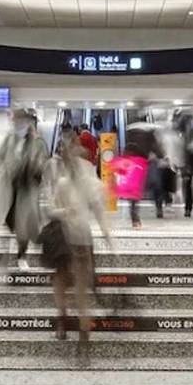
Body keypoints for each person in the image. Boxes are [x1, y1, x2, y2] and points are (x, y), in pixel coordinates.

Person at [46, 131, 115, 358]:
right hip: (73, 240)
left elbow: (51, 209)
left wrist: (106, 236)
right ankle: (74, 329)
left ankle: (68, 325)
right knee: (73, 286)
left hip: (73, 240)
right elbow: (98, 212)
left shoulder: (75, 182)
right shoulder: (78, 182)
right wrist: (107, 236)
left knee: (68, 285)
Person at [0, 109, 48, 270]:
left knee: (24, 226)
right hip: (8, 188)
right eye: (17, 121)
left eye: (22, 121)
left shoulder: (37, 142)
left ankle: (22, 256)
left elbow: (43, 166)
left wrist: (35, 166)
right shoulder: (9, 139)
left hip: (27, 189)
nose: (19, 124)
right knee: (7, 223)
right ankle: (4, 255)